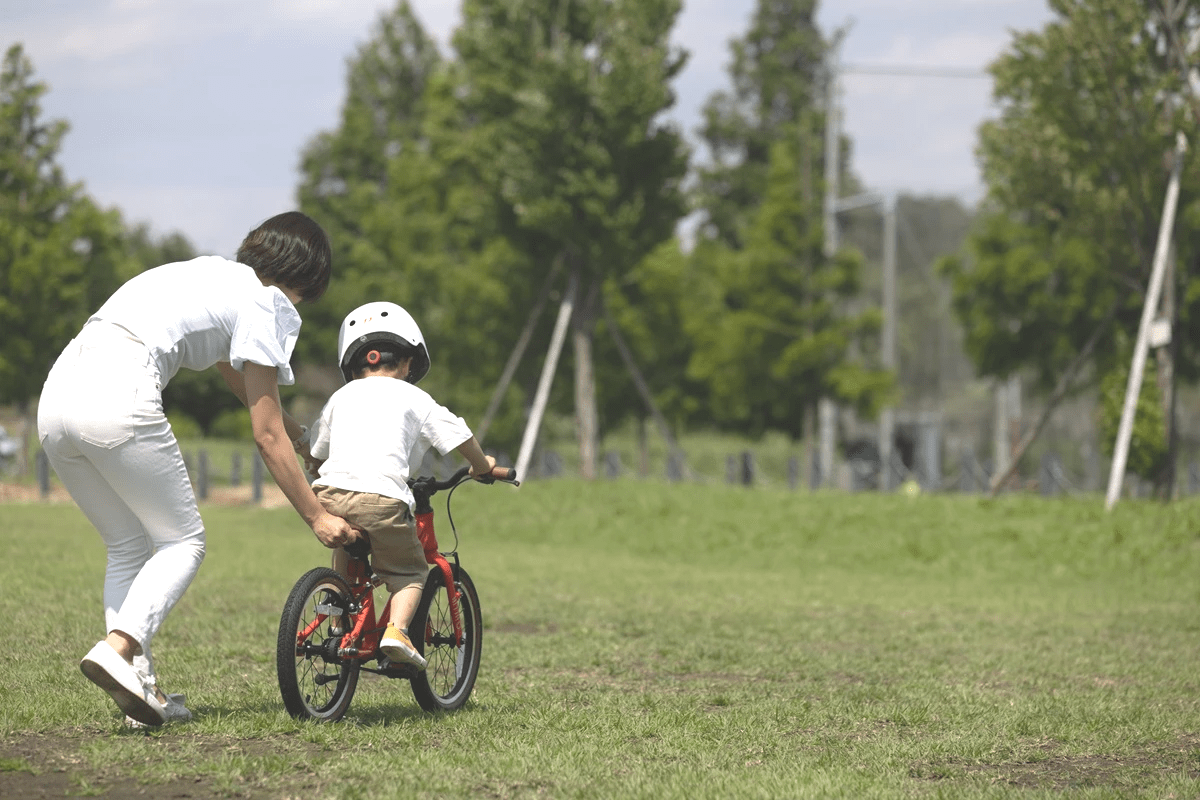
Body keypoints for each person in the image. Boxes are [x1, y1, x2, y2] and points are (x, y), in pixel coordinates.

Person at [37, 211, 360, 728]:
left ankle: (139, 692)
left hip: (57, 396)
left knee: (128, 546)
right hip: (119, 390)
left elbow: (231, 369)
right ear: (302, 280)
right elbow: (265, 434)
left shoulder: (207, 273)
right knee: (184, 541)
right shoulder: (265, 300)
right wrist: (317, 516)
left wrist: (296, 431)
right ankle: (117, 647)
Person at [304, 301, 495, 669]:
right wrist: (481, 464)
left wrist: (316, 466)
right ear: (408, 363)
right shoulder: (415, 396)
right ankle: (398, 631)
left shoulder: (340, 396)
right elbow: (458, 433)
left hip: (328, 495)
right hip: (382, 497)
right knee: (408, 573)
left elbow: (317, 450)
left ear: (355, 363)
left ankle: (342, 614)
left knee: (348, 539)